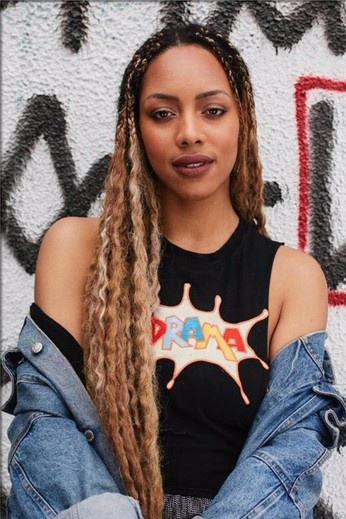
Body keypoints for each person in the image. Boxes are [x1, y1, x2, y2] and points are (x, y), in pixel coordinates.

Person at [2, 23, 345, 519]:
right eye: (162, 114)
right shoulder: (77, 249)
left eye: (212, 110)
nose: (188, 132)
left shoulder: (291, 276)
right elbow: (46, 425)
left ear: (240, 121)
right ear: (135, 128)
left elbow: (289, 454)